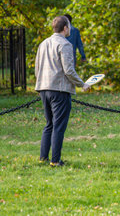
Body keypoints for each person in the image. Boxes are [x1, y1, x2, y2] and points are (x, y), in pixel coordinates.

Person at [35, 15, 91, 166]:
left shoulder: (43, 43)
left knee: (49, 124)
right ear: (65, 28)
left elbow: (37, 68)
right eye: (69, 26)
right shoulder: (65, 44)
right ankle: (55, 161)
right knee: (58, 126)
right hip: (59, 90)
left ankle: (43, 158)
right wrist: (82, 84)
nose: (71, 29)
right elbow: (69, 71)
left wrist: (41, 84)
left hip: (43, 88)